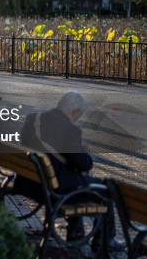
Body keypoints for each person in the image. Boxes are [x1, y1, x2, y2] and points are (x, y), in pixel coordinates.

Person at [13, 92, 118, 252]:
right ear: (74, 112)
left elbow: (25, 142)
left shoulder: (34, 119)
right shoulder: (70, 130)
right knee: (106, 189)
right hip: (54, 191)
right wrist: (86, 155)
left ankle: (76, 232)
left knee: (78, 180)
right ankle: (105, 241)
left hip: (28, 183)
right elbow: (84, 164)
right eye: (79, 115)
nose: (77, 119)